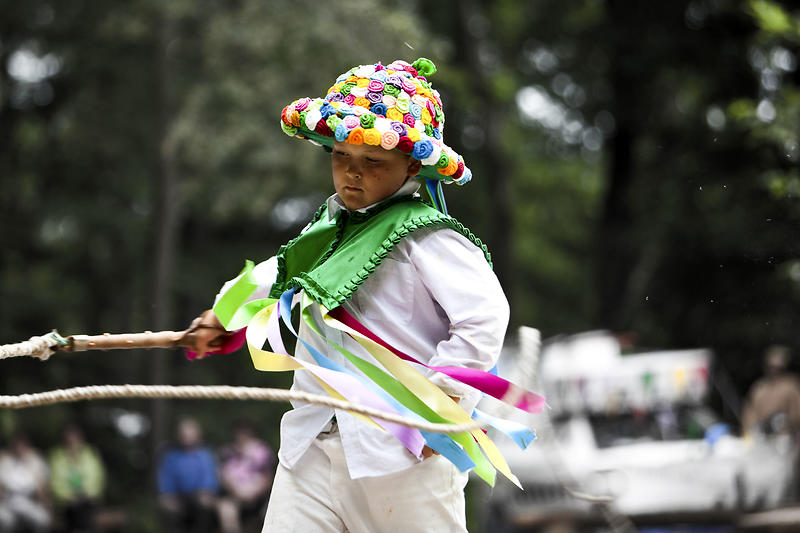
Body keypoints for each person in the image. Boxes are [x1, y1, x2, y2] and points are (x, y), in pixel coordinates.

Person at [187, 58, 511, 532]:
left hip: (402, 453)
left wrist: (439, 407)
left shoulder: (431, 238)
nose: (352, 174)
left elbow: (485, 318)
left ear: (412, 164)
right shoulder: (326, 231)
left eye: (373, 161)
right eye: (341, 156)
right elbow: (277, 273)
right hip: (310, 447)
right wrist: (222, 315)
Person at [156, 418, 218, 533]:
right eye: (183, 434)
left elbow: (209, 479)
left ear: (197, 435)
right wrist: (166, 496)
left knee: (204, 507)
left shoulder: (205, 455)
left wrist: (206, 492)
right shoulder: (171, 456)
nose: (185, 437)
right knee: (168, 510)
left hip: (200, 497)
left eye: (189, 434)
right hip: (178, 497)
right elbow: (166, 480)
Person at [216, 421, 275, 533]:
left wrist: (253, 493)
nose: (242, 435)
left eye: (244, 431)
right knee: (226, 509)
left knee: (272, 510)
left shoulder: (262, 451)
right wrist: (237, 492)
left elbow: (268, 477)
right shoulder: (228, 452)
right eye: (239, 432)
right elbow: (223, 476)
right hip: (235, 496)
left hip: (260, 497)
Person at [49, 424, 105, 533]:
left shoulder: (90, 455)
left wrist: (89, 493)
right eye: (68, 439)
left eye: (74, 438)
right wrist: (67, 496)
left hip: (88, 499)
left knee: (81, 508)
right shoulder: (57, 457)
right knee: (76, 509)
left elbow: (97, 478)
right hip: (65, 501)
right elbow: (55, 482)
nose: (72, 442)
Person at [742, 345, 800, 439]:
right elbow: (749, 412)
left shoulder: (791, 386)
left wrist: (786, 425)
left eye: (778, 368)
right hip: (760, 435)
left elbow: (796, 412)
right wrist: (751, 429)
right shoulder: (759, 387)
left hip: (784, 437)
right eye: (771, 367)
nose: (774, 371)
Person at [0, 432, 51, 533]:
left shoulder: (35, 461)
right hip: (9, 501)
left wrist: (44, 501)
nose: (19, 449)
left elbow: (42, 486)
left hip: (29, 501)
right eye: (16, 446)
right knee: (5, 520)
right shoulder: (5, 462)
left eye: (22, 446)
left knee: (43, 520)